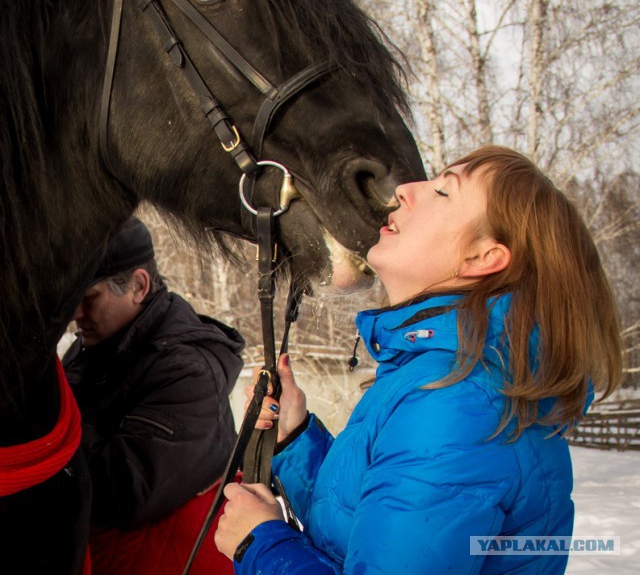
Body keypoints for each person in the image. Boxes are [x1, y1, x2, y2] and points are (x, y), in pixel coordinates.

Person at [214, 145, 622, 574]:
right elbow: (367, 528)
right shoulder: (448, 377)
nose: (405, 190)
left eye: (444, 192)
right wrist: (294, 439)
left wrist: (259, 545)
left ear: (484, 256)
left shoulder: (459, 402)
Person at [63, 215, 244, 574]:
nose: (75, 314)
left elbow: (126, 492)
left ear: (139, 286)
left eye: (89, 297)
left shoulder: (187, 370)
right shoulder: (93, 349)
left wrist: (46, 412)